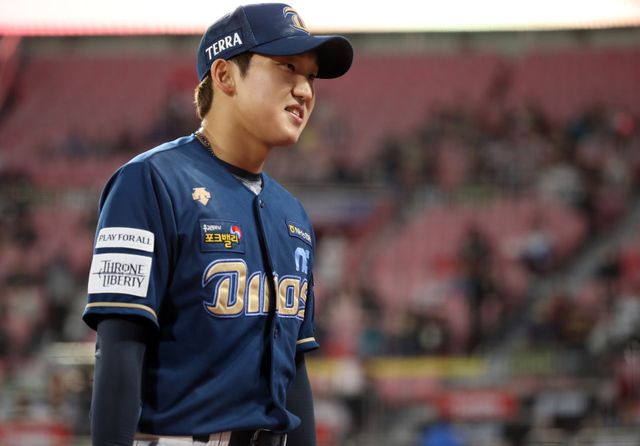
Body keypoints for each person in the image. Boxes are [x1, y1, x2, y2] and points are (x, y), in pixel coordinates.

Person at [82, 4, 353, 446]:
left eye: (311, 76)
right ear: (225, 75)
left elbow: (294, 371)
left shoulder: (293, 215)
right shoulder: (149, 182)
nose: (305, 90)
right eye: (287, 67)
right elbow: (120, 347)